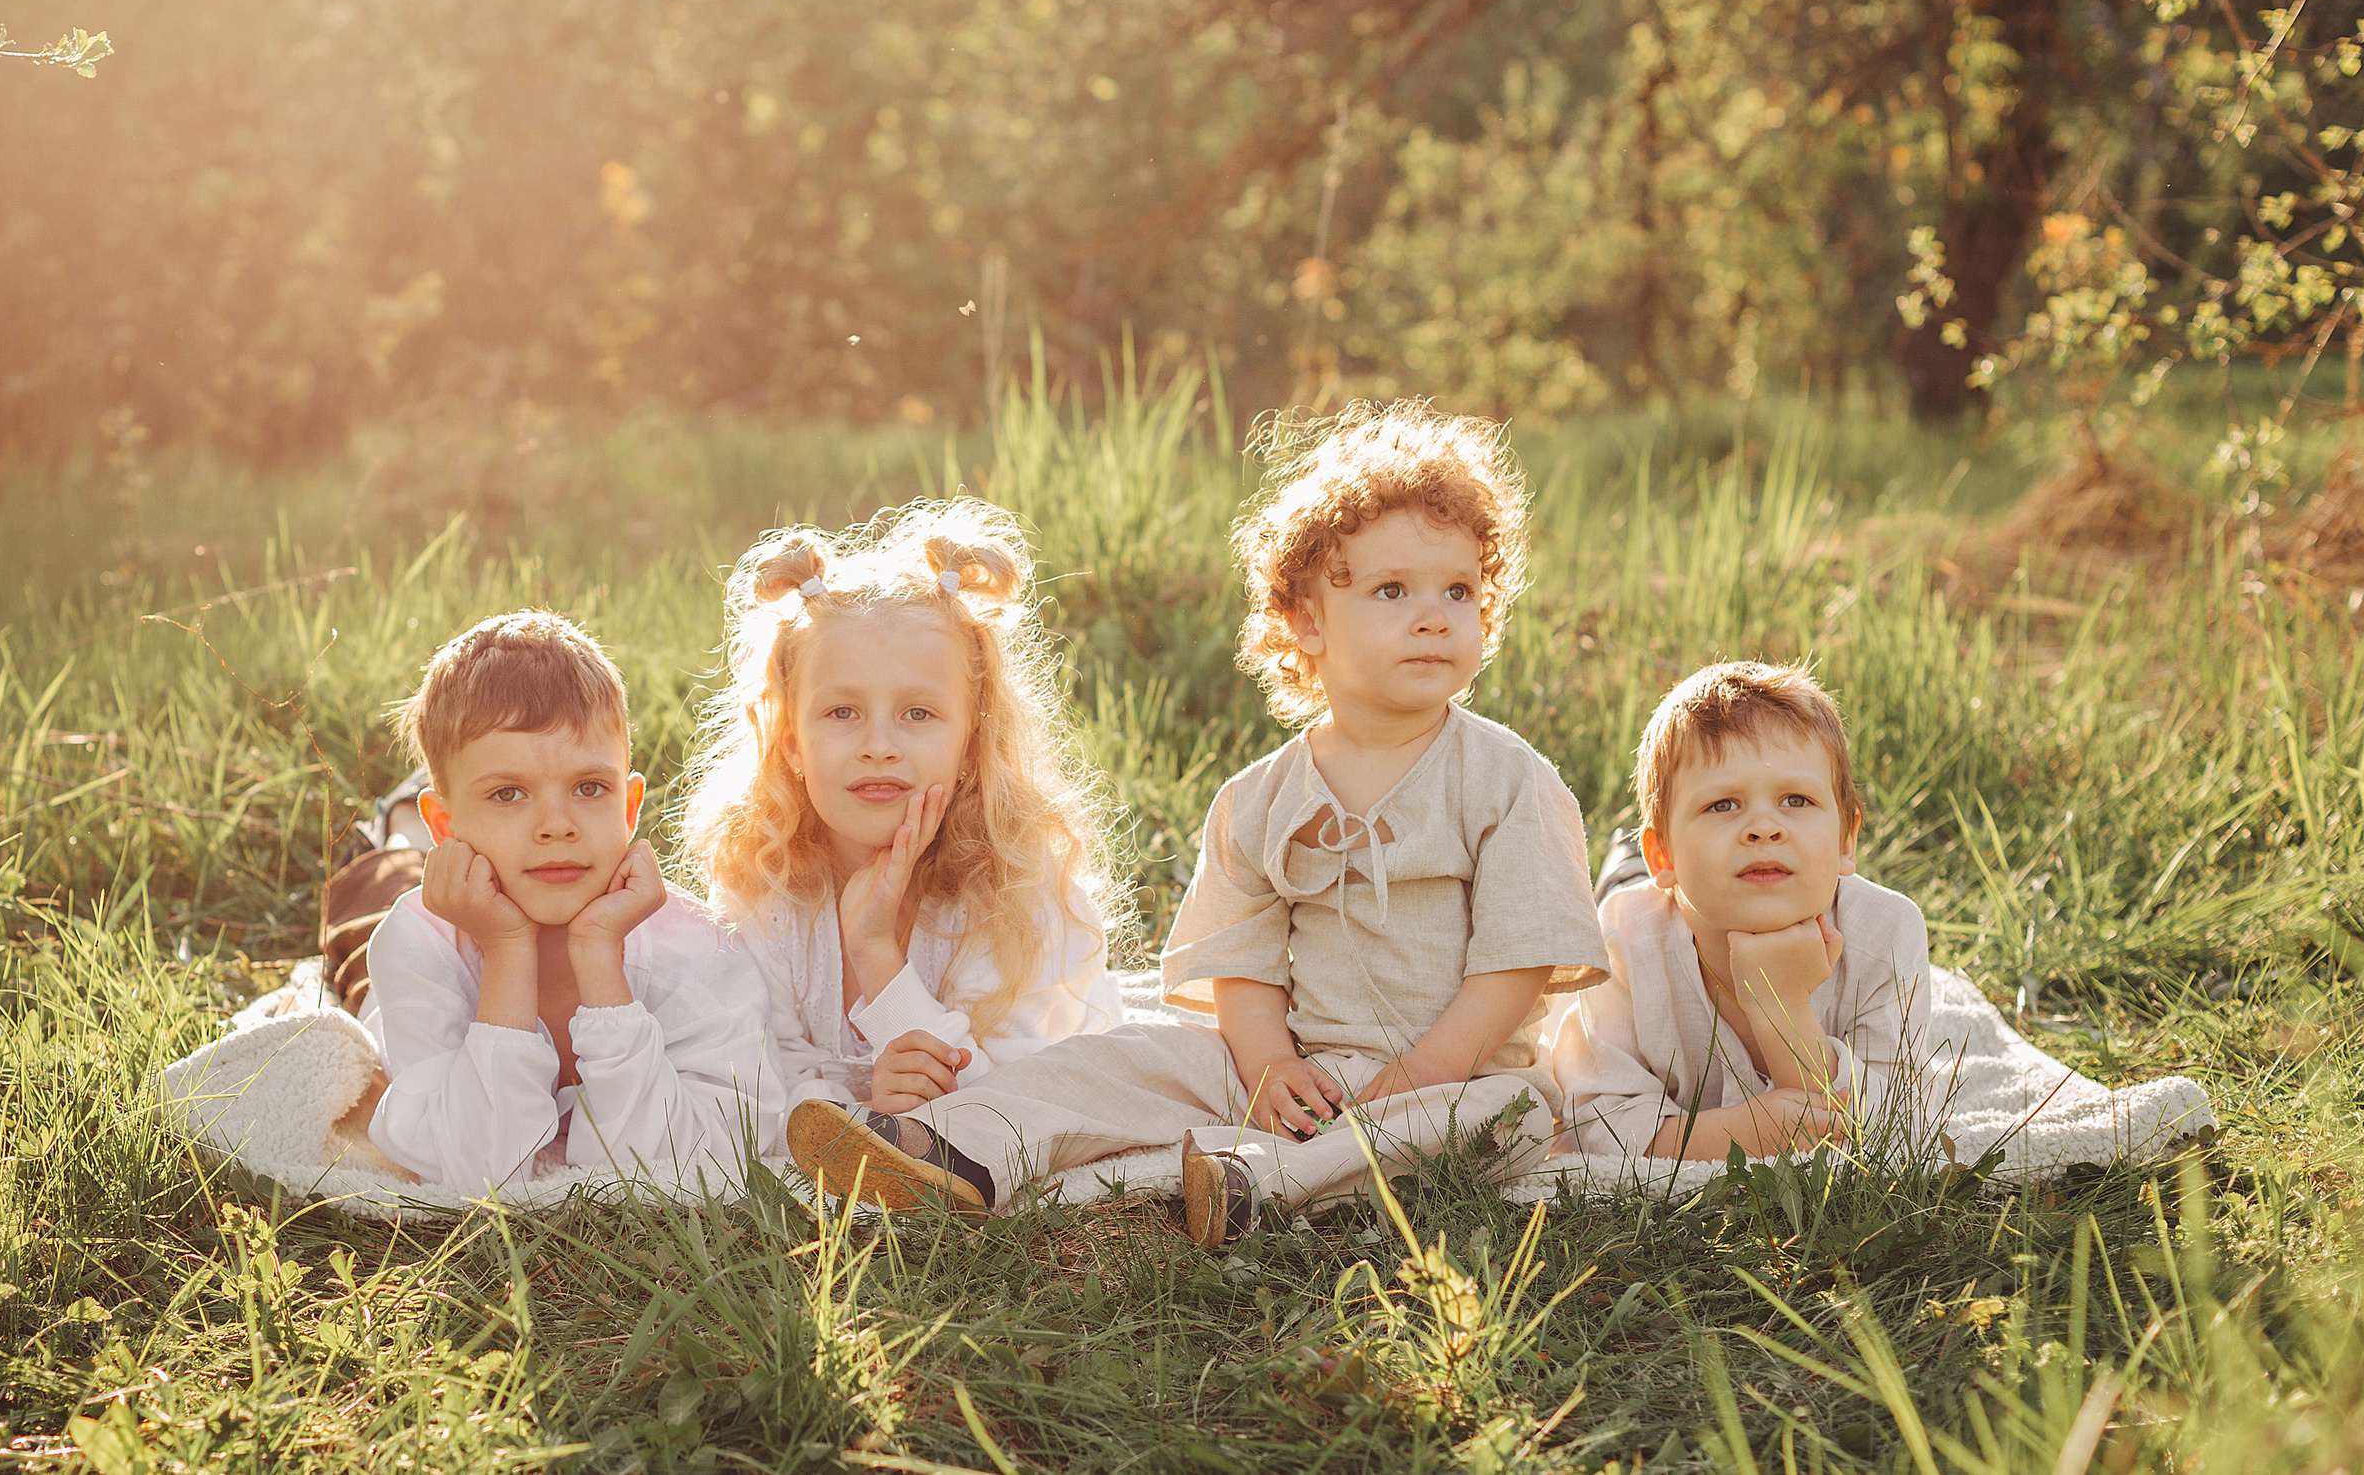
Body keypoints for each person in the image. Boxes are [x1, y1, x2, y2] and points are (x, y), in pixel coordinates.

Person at [786, 402, 1607, 1243]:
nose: (1435, 615)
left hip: (1453, 1074)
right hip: (1295, 1066)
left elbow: (1520, 961)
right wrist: (1267, 1065)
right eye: (1392, 590)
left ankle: (1257, 1181)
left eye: (1460, 590)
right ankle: (952, 1146)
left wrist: (1421, 1069)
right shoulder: (1259, 799)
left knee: (1504, 1117)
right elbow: (1240, 966)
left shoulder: (1509, 779)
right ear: (1307, 621)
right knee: (1129, 1056)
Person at [676, 498, 1125, 1119]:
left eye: (918, 714)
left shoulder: (1018, 897)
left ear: (972, 746)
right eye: (842, 713)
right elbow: (759, 1088)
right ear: (792, 745)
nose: (879, 747)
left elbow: (1017, 1112)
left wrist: (877, 955)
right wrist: (868, 1118)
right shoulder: (765, 892)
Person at [361, 611, 782, 1187]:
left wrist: (601, 960)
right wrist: (507, 950)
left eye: (590, 788)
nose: (557, 825)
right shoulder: (418, 943)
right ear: (449, 824)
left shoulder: (701, 947)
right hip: (404, 934)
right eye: (508, 794)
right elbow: (474, 1167)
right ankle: (403, 826)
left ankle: (414, 822)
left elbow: (682, 1162)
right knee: (370, 891)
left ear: (630, 808)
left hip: (502, 878)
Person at [1550, 661, 1930, 1161]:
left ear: (1845, 840)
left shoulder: (1887, 934)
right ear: (1663, 855)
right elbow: (1598, 1125)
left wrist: (1784, 1006)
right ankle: (1628, 862)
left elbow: (1892, 1127)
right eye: (1724, 805)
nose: (1764, 828)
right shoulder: (1621, 942)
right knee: (1617, 898)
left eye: (1796, 799)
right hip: (1658, 896)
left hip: (1703, 879)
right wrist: (1740, 1132)